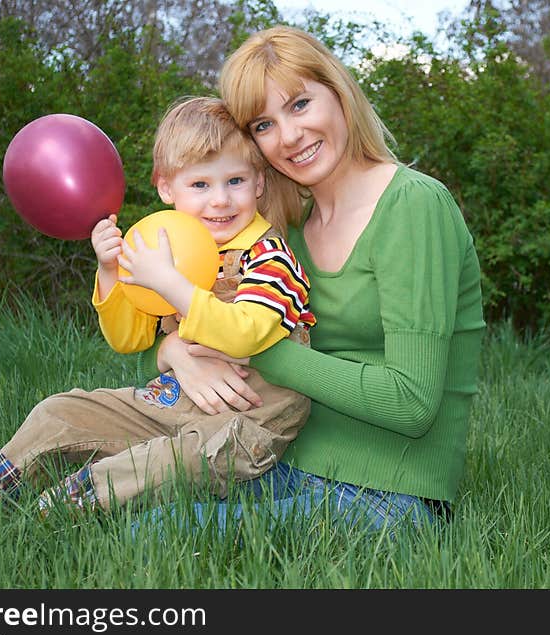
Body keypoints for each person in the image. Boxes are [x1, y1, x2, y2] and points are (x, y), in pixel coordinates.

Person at [133, 25, 486, 535]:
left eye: (299, 104)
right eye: (263, 124)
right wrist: (176, 356)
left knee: (157, 532)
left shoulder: (413, 206)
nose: (289, 136)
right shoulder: (284, 231)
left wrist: (251, 346)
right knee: (131, 501)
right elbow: (172, 331)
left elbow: (412, 403)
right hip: (278, 458)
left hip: (391, 493)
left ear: (338, 92)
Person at [0, 96, 316, 515]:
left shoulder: (270, 257)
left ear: (259, 183)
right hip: (168, 405)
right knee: (58, 412)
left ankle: (47, 517)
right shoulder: (166, 245)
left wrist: (169, 282)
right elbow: (129, 339)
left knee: (148, 467)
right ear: (166, 187)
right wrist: (111, 271)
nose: (220, 200)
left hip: (244, 425)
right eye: (200, 185)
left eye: (235, 181)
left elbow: (245, 334)